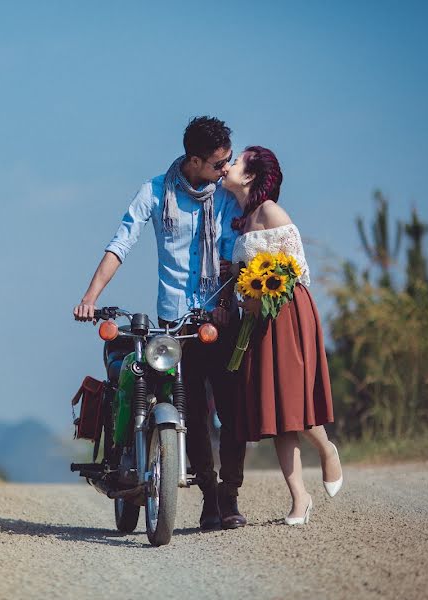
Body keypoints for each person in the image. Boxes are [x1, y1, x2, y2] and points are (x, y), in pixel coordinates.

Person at [73, 116, 247, 530]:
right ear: (194, 160)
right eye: (219, 163)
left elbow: (238, 248)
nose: (226, 169)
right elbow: (122, 242)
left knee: (233, 413)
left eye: (229, 161)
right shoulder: (155, 192)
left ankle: (231, 494)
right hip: (174, 323)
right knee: (194, 413)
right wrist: (90, 296)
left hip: (219, 316)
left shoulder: (225, 196)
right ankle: (207, 497)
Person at [223, 146, 343, 525]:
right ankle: (300, 499)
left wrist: (263, 295)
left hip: (288, 314)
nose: (229, 165)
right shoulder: (243, 220)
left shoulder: (271, 211)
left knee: (294, 403)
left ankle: (327, 451)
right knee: (275, 410)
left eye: (237, 161)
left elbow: (294, 269)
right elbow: (245, 277)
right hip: (258, 321)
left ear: (251, 176)